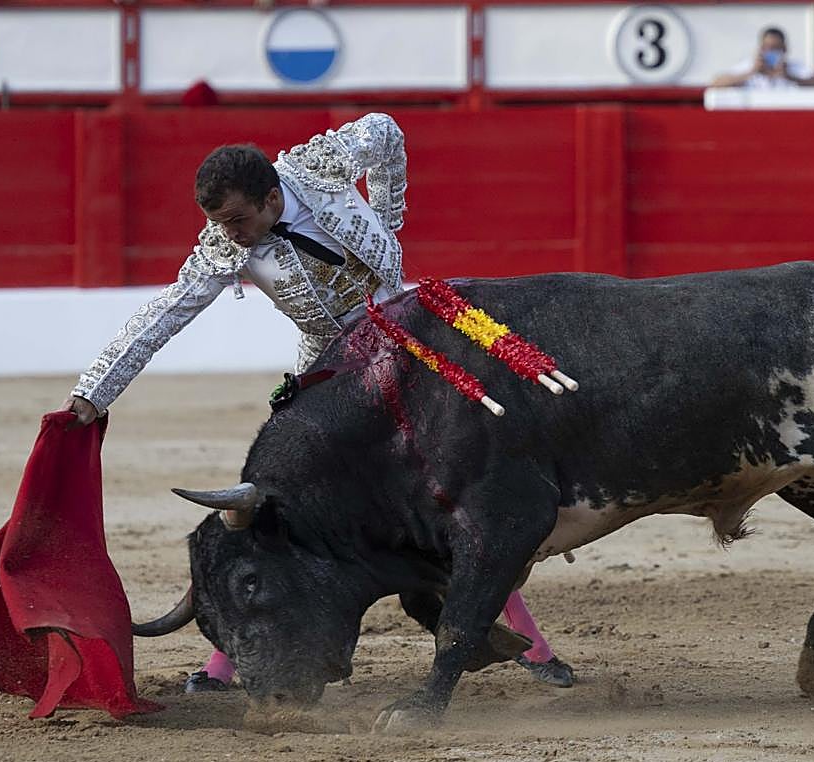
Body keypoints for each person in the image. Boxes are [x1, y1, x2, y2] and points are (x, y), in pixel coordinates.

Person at [59, 112, 573, 692]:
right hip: (332, 372)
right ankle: (222, 665)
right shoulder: (222, 250)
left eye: (237, 220)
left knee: (467, 488)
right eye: (218, 224)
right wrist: (93, 392)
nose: (230, 234)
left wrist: (387, 216)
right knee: (275, 504)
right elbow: (161, 318)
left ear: (273, 196)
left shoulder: (319, 168)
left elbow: (385, 130)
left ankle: (533, 648)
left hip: (412, 339)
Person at [709, 27, 814, 89]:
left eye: (775, 48)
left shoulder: (794, 68)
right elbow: (716, 84)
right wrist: (751, 72)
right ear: (761, 48)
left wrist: (789, 77)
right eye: (767, 47)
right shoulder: (750, 67)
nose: (770, 52)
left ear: (784, 49)